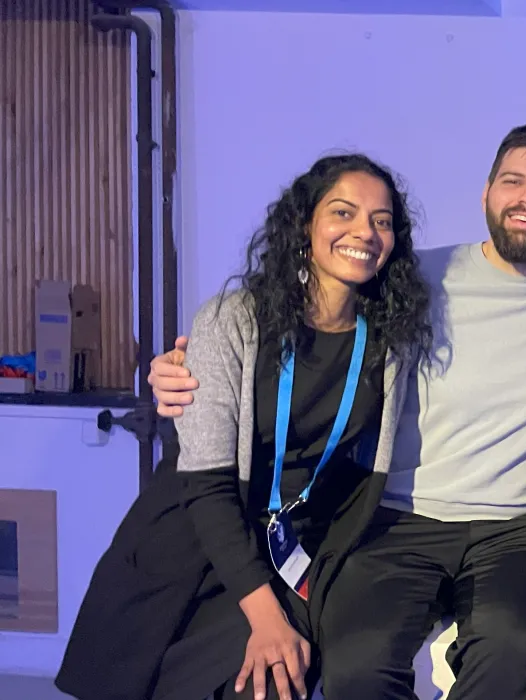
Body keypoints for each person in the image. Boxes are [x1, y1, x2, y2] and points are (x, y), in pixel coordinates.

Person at [144, 124, 526, 699]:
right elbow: (305, 319)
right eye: (513, 181)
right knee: (355, 672)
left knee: (508, 659)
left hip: (522, 524)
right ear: (487, 192)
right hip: (396, 516)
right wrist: (176, 369)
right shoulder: (413, 281)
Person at [56, 154, 432, 700]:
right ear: (305, 226)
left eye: (382, 220)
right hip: (197, 540)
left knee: (267, 684)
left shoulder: (390, 339)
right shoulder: (232, 320)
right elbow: (206, 486)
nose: (364, 232)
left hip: (293, 550)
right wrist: (266, 617)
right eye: (343, 213)